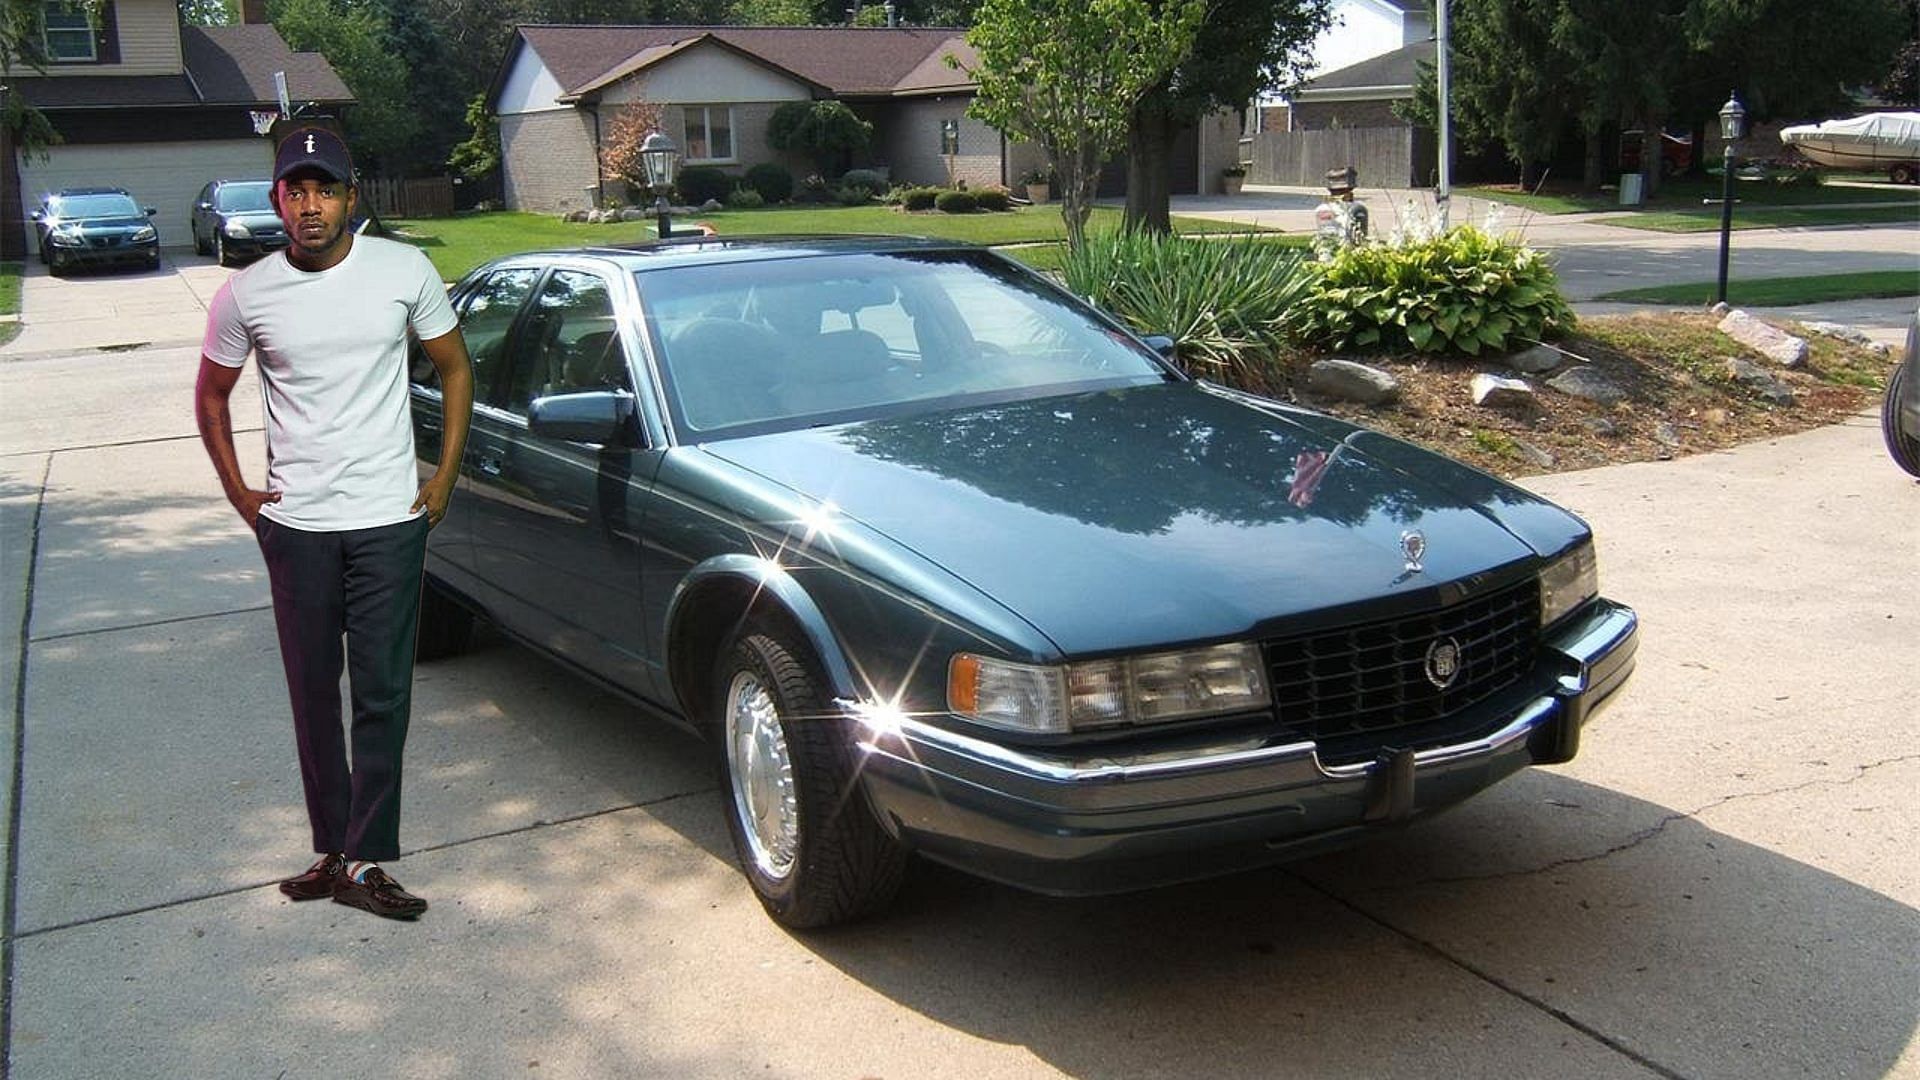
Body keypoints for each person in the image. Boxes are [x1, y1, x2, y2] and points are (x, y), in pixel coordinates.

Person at [193, 125, 474, 920]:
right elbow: (210, 395)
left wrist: (443, 476)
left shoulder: (403, 269)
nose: (309, 205)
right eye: (294, 190)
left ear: (352, 197)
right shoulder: (247, 293)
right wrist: (243, 495)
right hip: (300, 528)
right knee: (313, 693)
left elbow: (456, 368)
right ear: (277, 199)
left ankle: (370, 860)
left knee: (383, 695)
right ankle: (332, 852)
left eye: (324, 189)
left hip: (389, 519)